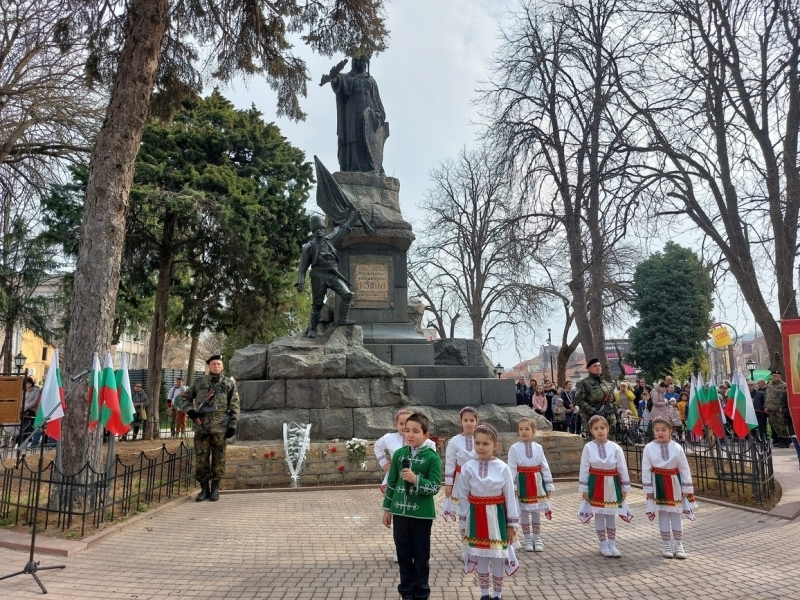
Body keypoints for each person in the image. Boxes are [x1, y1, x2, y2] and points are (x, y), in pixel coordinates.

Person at [382, 413, 441, 600]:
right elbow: (391, 483)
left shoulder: (432, 458)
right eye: (407, 430)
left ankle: (422, 592)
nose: (410, 435)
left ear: (426, 435)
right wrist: (387, 509)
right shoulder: (399, 455)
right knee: (403, 555)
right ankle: (406, 591)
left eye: (416, 431)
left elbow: (435, 486)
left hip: (422, 516)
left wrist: (416, 479)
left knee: (421, 557)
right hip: (399, 512)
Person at [456, 423, 519, 600]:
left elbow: (510, 496)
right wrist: (464, 521)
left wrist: (512, 524)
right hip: (476, 517)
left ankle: (497, 594)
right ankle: (484, 593)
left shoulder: (502, 467)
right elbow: (463, 495)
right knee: (481, 555)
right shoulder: (468, 467)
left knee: (498, 556)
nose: (481, 447)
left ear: (495, 445)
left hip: (497, 518)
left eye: (486, 444)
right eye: (477, 443)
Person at [375, 409, 437, 562]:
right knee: (401, 529)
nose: (406, 430)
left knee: (419, 537)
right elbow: (377, 447)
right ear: (397, 424)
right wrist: (385, 463)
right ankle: (400, 551)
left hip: (419, 498)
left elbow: (433, 479)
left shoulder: (429, 447)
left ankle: (419, 566)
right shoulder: (390, 440)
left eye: (413, 429)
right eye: (402, 425)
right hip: (398, 487)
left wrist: (415, 479)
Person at [183, 355, 240, 502]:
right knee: (201, 459)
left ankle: (215, 488)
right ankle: (204, 489)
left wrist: (232, 426)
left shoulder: (228, 384)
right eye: (214, 364)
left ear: (222, 367)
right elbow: (185, 398)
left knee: (219, 459)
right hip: (201, 427)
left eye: (219, 364)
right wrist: (191, 412)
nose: (216, 367)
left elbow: (235, 406)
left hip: (220, 428)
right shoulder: (199, 382)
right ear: (209, 366)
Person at [296, 211, 360, 338]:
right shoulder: (309, 247)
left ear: (324, 229)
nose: (319, 231)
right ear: (313, 232)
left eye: (321, 228)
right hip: (318, 276)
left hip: (333, 273)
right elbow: (302, 267)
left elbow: (344, 229)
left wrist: (355, 218)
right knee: (317, 304)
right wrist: (300, 281)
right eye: (316, 229)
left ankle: (342, 318)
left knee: (347, 294)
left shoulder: (331, 240)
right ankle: (312, 329)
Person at [642, 417, 697, 559]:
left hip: (674, 483)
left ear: (670, 431)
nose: (660, 433)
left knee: (676, 513)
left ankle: (679, 544)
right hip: (658, 483)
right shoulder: (649, 448)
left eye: (664, 430)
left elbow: (684, 468)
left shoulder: (677, 447)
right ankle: (666, 543)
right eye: (657, 430)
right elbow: (646, 469)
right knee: (664, 514)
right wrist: (648, 490)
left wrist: (687, 487)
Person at [577, 415, 632, 557]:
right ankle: (603, 544)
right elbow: (584, 468)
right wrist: (584, 489)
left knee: (611, 515)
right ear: (591, 430)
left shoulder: (615, 447)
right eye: (596, 428)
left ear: (608, 429)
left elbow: (622, 468)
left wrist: (625, 487)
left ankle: (612, 544)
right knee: (600, 514)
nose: (599, 431)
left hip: (612, 484)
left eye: (602, 428)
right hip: (596, 483)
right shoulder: (588, 447)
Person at [328, 54, 388, 174]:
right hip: (353, 112)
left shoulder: (371, 80)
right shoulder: (348, 77)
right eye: (359, 61)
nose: (361, 64)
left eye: (363, 62)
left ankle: (372, 167)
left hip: (369, 112)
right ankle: (354, 166)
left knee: (368, 138)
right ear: (354, 63)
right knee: (354, 136)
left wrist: (379, 114)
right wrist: (334, 78)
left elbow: (376, 99)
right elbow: (339, 82)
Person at [507, 417, 553, 553]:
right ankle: (527, 539)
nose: (524, 432)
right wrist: (513, 486)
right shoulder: (514, 448)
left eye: (527, 429)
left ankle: (537, 538)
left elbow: (544, 466)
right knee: (525, 511)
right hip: (523, 483)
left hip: (537, 482)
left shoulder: (538, 447)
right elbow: (511, 468)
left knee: (536, 511)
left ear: (533, 431)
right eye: (521, 429)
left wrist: (548, 485)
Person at [443, 407, 479, 520]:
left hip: (477, 477)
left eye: (472, 420)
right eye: (466, 420)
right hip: (460, 478)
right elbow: (450, 462)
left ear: (476, 421)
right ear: (461, 421)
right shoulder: (454, 441)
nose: (468, 423)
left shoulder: (480, 438)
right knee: (463, 508)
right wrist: (449, 483)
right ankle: (464, 535)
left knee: (476, 507)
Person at [575, 358, 617, 440]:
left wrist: (616, 415)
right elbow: (579, 400)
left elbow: (613, 400)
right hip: (594, 419)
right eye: (595, 366)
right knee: (596, 444)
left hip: (610, 420)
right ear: (589, 369)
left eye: (599, 366)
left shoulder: (606, 383)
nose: (598, 368)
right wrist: (593, 411)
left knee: (612, 444)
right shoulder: (584, 383)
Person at [766, 371, 790, 447]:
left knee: (782, 425)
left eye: (776, 376)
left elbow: (786, 398)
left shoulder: (784, 385)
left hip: (779, 409)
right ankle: (780, 439)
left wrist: (783, 407)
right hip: (771, 408)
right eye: (773, 375)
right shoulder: (769, 385)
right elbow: (767, 396)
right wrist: (766, 406)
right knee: (775, 425)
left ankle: (786, 440)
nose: (774, 377)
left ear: (779, 377)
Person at [20, 377, 42, 446]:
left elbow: (35, 401)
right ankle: (22, 441)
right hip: (23, 410)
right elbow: (21, 400)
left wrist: (27, 407)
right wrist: (21, 406)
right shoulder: (23, 391)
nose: (28, 385)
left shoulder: (36, 390)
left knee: (28, 426)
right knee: (22, 426)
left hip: (31, 411)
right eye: (26, 383)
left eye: (29, 383)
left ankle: (30, 440)